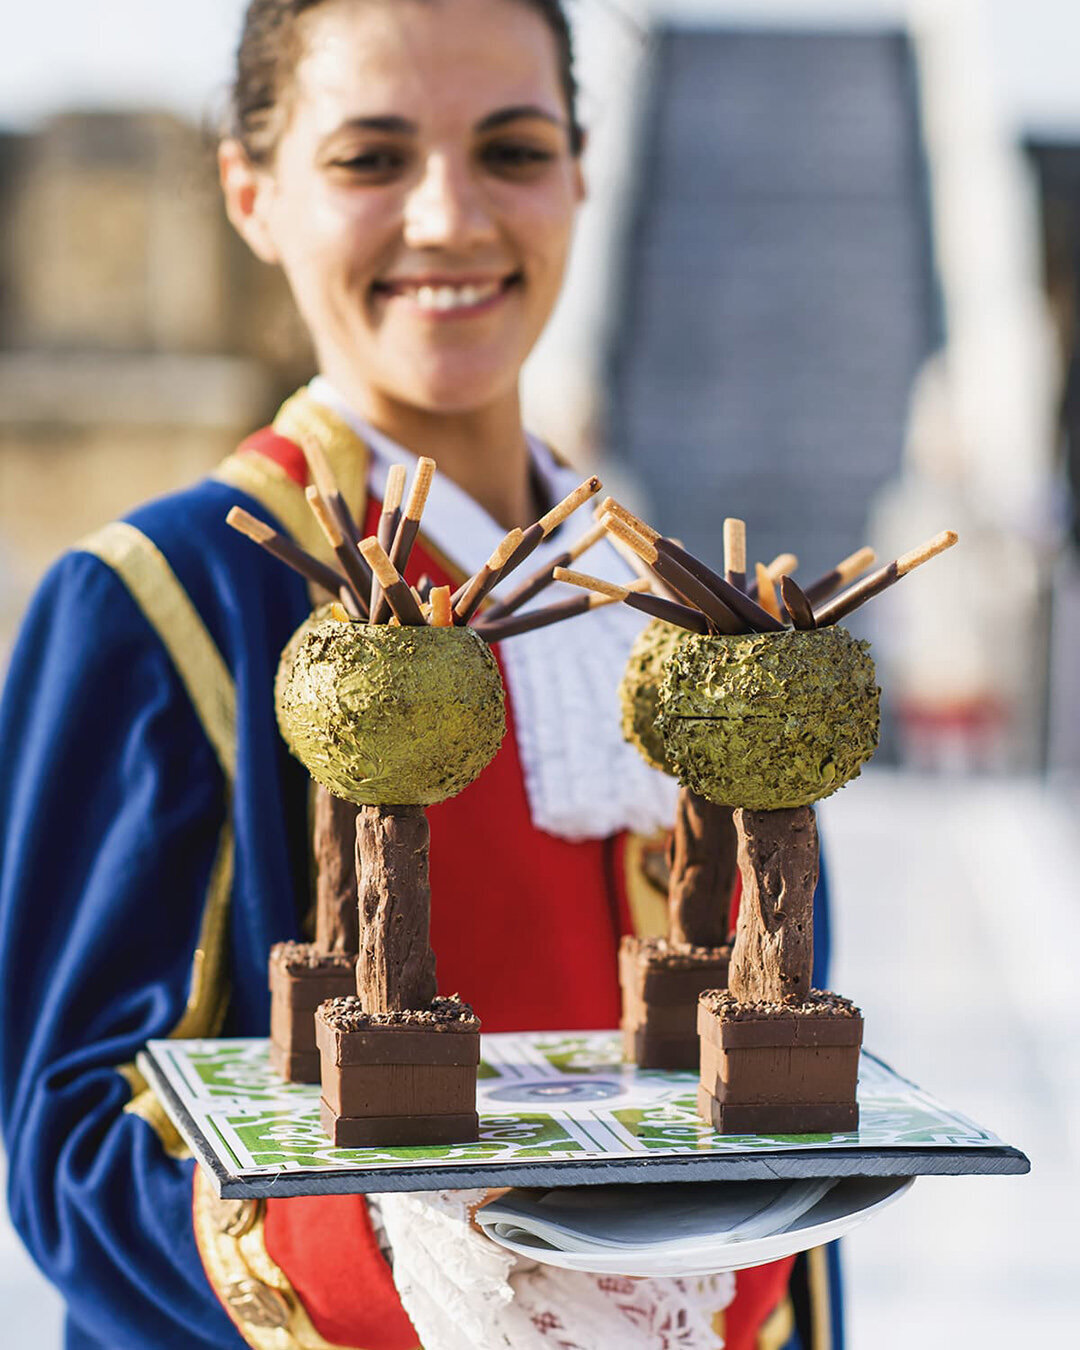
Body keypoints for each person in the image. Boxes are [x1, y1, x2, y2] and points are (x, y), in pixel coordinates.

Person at [0, 2, 841, 1346]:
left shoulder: (707, 629)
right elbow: (72, 1151)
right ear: (252, 189)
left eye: (510, 150)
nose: (449, 218)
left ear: (580, 168)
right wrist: (420, 1268)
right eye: (372, 158)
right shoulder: (154, 603)